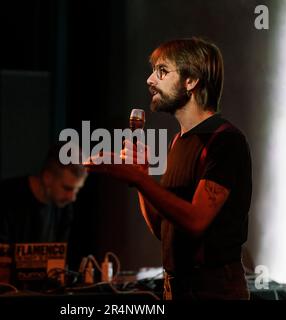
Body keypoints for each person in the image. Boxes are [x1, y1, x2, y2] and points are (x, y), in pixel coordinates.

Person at [86, 37, 252, 300]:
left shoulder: (225, 140)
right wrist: (141, 177)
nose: (150, 80)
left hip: (213, 289)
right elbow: (164, 230)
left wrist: (139, 180)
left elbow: (196, 221)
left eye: (162, 72)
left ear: (191, 80)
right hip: (176, 286)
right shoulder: (178, 141)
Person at [0, 143, 88, 265]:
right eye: (67, 188)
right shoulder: (5, 196)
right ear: (47, 178)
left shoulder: (65, 208)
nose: (72, 197)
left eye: (77, 189)